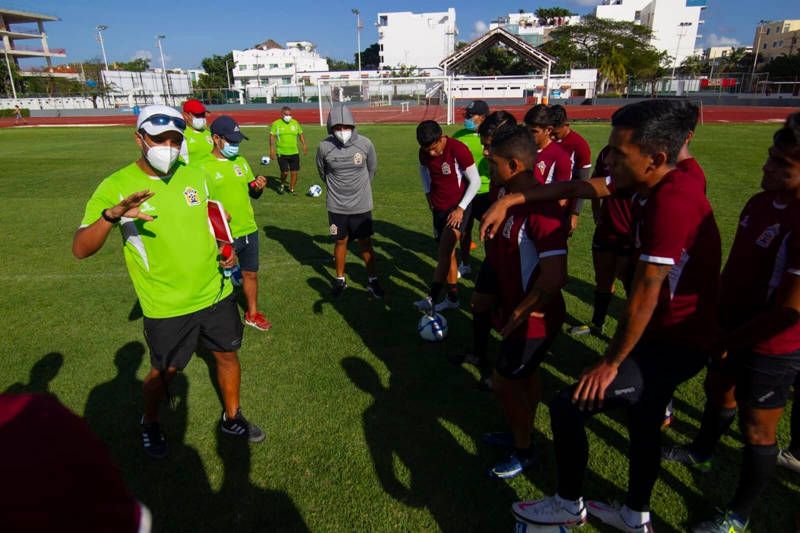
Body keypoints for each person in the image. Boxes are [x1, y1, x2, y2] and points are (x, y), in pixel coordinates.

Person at [509, 100, 721, 531]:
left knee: (569, 405)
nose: (610, 164)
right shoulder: (672, 176)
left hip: (677, 343)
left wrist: (611, 363)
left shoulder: (672, 203)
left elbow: (644, 293)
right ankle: (634, 515)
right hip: (667, 337)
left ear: (657, 158)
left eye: (619, 155)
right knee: (644, 420)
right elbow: (590, 188)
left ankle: (568, 504)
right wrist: (516, 197)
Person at [72, 105, 264, 460]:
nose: (169, 146)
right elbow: (81, 249)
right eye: (160, 139)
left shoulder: (195, 175)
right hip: (166, 304)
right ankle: (150, 421)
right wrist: (110, 216)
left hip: (216, 292)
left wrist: (226, 249)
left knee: (227, 355)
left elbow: (213, 218)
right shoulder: (116, 185)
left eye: (175, 139)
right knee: (166, 372)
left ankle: (232, 417)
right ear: (139, 138)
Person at [665, 113, 800, 533]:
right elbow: (737, 266)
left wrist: (733, 339)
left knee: (758, 429)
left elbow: (789, 310)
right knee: (717, 390)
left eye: (783, 165)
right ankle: (702, 450)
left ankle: (737, 515)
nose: (768, 167)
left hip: (771, 345)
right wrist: (717, 319)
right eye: (770, 157)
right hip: (729, 326)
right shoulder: (759, 203)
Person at [479, 125, 568, 479]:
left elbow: (556, 275)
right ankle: (522, 431)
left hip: (534, 317)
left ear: (514, 165)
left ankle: (524, 451)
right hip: (513, 309)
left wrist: (522, 309)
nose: (490, 167)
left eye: (495, 162)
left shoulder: (543, 209)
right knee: (525, 379)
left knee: (503, 383)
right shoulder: (506, 193)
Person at [459, 110, 518, 391]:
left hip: (517, 260)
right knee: (479, 303)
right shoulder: (497, 175)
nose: (484, 151)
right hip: (495, 256)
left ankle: (504, 374)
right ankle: (479, 353)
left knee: (512, 319)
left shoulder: (525, 177)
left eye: (489, 144)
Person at [199, 115, 271, 331]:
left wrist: (258, 186)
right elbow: (200, 205)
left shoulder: (241, 162)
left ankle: (252, 313)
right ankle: (217, 322)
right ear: (215, 139)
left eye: (238, 141)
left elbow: (252, 191)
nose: (235, 145)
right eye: (231, 141)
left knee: (250, 273)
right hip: (223, 235)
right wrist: (218, 215)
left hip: (249, 229)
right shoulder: (201, 167)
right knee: (221, 278)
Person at [316, 104, 382, 298]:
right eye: (337, 127)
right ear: (331, 128)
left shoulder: (366, 144)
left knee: (365, 242)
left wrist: (360, 189)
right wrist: (338, 190)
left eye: (346, 126)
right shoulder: (324, 147)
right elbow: (322, 172)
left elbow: (372, 169)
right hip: (336, 206)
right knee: (340, 241)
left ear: (353, 126)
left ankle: (373, 281)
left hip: (361, 205)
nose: (342, 131)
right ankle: (340, 280)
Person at [414, 120, 481, 313]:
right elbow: (424, 171)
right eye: (428, 150)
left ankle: (432, 299)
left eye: (435, 149)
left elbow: (475, 181)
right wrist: (428, 195)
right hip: (439, 209)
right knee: (449, 255)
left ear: (441, 137)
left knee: (444, 252)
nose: (432, 154)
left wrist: (460, 208)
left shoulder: (458, 149)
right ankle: (452, 299)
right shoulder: (424, 153)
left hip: (458, 209)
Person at [568, 146, 634, 337]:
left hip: (629, 234)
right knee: (603, 279)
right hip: (606, 230)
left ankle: (632, 335)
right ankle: (597, 323)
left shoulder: (640, 155)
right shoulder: (606, 152)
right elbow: (593, 182)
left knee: (631, 285)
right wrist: (597, 211)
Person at [452, 100, 491, 277]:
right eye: (466, 114)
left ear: (482, 117)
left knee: (490, 231)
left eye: (470, 115)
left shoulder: (493, 137)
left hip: (487, 191)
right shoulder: (458, 136)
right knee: (464, 230)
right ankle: (465, 263)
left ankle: (492, 263)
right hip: (466, 192)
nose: (466, 118)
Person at [549, 105, 592, 236]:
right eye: (550, 133)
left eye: (556, 134)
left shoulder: (580, 146)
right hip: (543, 199)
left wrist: (574, 214)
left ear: (566, 125)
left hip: (564, 207)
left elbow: (582, 182)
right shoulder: (546, 141)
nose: (552, 138)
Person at [524, 105, 571, 187]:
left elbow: (563, 195)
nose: (529, 134)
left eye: (534, 131)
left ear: (548, 130)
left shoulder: (561, 157)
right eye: (527, 130)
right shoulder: (521, 150)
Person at [270, 106, 308, 195]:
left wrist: (304, 145)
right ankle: (282, 184)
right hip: (281, 153)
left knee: (294, 172)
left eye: (290, 114)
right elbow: (272, 137)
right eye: (286, 114)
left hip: (294, 152)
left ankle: (291, 189)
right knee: (285, 172)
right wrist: (271, 150)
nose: (288, 116)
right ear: (282, 114)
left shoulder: (295, 123)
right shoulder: (276, 124)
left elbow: (300, 134)